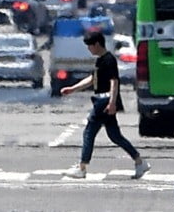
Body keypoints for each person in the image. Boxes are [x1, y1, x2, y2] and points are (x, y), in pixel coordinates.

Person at [61, 30, 151, 179]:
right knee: (115, 136)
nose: (89, 49)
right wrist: (72, 89)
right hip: (103, 100)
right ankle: (139, 161)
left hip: (104, 101)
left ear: (97, 44)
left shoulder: (109, 60)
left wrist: (112, 102)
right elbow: (92, 79)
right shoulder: (100, 60)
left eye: (90, 46)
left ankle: (82, 167)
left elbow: (114, 81)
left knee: (89, 132)